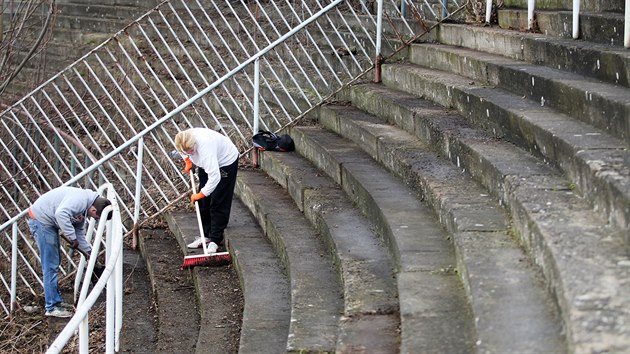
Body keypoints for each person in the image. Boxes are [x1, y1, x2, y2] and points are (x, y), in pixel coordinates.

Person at [27, 187, 112, 318]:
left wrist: (90, 253)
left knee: (54, 263)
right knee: (50, 265)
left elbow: (79, 233)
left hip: (46, 221)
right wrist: (71, 237)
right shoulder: (80, 201)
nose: (95, 218)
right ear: (94, 210)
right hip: (41, 221)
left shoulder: (84, 207)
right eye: (96, 217)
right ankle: (52, 307)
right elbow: (60, 214)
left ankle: (56, 301)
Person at [175, 128, 239, 253]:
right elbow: (181, 150)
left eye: (191, 151)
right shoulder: (181, 139)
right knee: (203, 202)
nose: (190, 153)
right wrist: (187, 160)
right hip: (206, 163)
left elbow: (215, 176)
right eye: (187, 152)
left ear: (194, 144)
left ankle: (215, 239)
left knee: (218, 200)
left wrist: (202, 193)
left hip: (225, 161)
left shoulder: (205, 146)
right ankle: (205, 236)